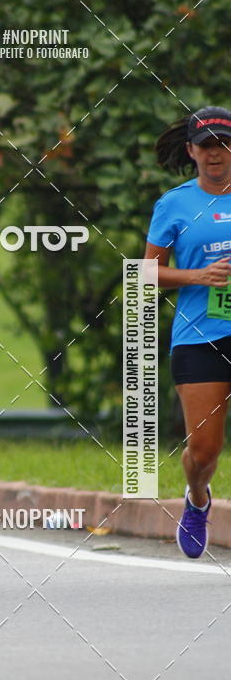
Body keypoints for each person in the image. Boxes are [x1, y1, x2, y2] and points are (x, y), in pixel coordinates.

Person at [145, 105, 231, 559]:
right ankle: (198, 499)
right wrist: (200, 276)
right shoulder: (175, 203)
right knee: (203, 451)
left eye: (224, 144)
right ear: (192, 151)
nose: (216, 154)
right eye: (207, 146)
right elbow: (145, 274)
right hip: (202, 336)